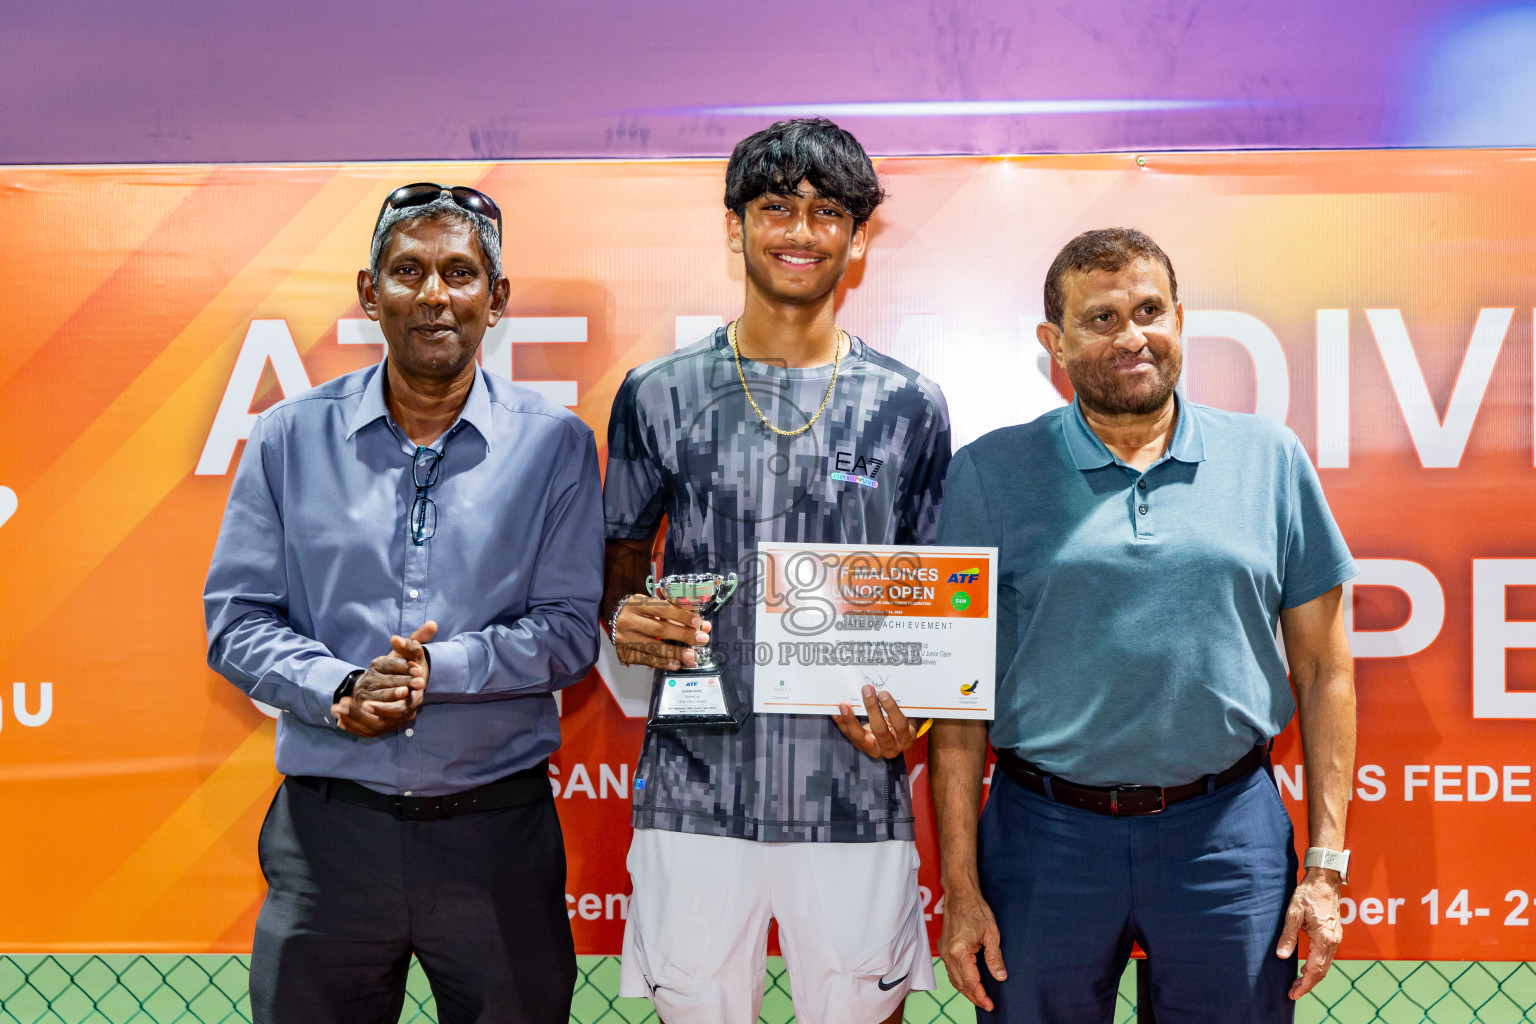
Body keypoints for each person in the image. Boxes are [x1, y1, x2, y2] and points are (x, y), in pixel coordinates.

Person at [930, 228, 1357, 1022]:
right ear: (1053, 343)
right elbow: (959, 695)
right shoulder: (988, 473)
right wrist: (960, 887)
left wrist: (1326, 866)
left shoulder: (1270, 458)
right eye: (1101, 318)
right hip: (1043, 839)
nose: (1132, 336)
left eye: (1149, 310)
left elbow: (1327, 670)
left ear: (1181, 320)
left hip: (1227, 837)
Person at [204, 183, 603, 1024]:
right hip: (328, 843)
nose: (432, 295)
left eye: (459, 272)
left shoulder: (556, 445)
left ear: (495, 299)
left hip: (496, 835)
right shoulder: (288, 436)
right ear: (367, 292)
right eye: (407, 271)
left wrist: (437, 670)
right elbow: (236, 621)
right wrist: (341, 690)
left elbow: (570, 634)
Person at [602, 118, 951, 1024]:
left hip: (852, 788)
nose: (800, 232)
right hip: (692, 785)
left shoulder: (910, 406)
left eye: (827, 212)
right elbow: (620, 568)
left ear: (860, 236)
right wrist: (628, 618)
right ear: (734, 227)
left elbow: (937, 605)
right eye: (775, 209)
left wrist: (910, 713)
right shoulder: (658, 393)